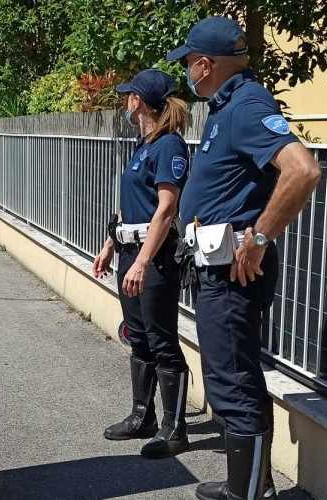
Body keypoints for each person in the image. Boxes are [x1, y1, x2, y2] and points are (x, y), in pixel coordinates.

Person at [166, 16, 321, 500]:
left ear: (206, 64)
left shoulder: (246, 105)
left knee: (233, 385)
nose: (187, 71)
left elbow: (303, 171)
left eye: (189, 62)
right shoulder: (227, 108)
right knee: (237, 378)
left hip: (231, 272)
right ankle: (254, 485)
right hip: (215, 269)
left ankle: (247, 494)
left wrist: (258, 238)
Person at [93, 69, 190, 459]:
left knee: (163, 341)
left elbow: (166, 210)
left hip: (154, 261)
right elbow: (129, 208)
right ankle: (142, 417)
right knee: (139, 338)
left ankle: (174, 428)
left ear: (139, 101)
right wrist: (110, 246)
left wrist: (143, 263)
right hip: (130, 254)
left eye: (128, 95)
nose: (123, 101)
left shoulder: (169, 146)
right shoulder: (143, 144)